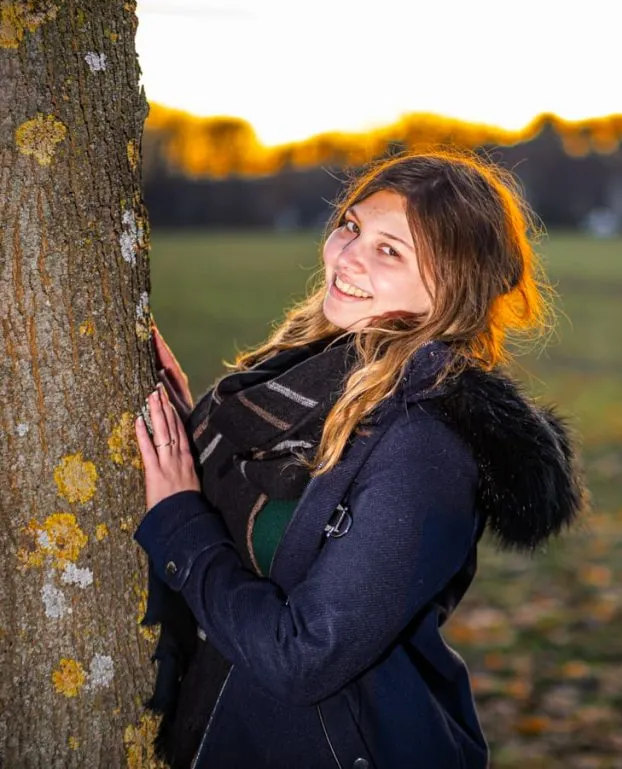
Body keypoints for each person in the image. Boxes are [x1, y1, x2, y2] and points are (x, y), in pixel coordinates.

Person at [132, 149, 587, 769]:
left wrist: (182, 521)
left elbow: (303, 658)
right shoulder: (314, 375)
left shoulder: (426, 446)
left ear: (453, 286)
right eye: (351, 226)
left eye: (389, 250)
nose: (347, 256)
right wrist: (197, 442)